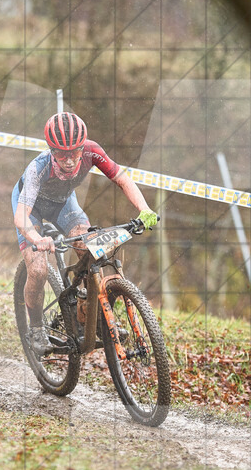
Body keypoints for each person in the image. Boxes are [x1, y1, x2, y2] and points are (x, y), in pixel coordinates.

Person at [12, 112, 159, 354]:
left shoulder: (93, 151)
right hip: (32, 209)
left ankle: (86, 317)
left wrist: (144, 210)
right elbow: (21, 218)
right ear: (51, 150)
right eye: (61, 153)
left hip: (63, 204)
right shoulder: (38, 168)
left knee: (89, 248)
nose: (69, 160)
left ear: (83, 146)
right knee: (37, 268)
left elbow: (122, 179)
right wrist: (37, 239)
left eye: (75, 152)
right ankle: (36, 328)